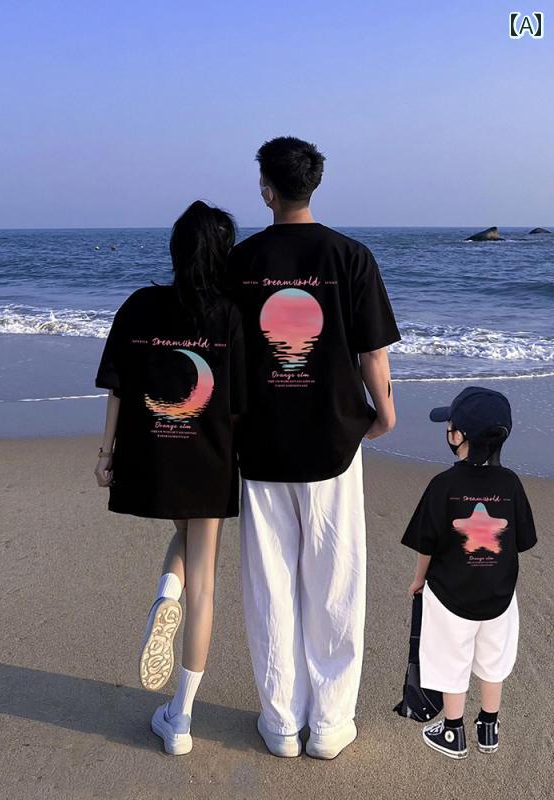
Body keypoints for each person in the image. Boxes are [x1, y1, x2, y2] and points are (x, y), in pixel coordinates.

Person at [228, 136, 401, 759]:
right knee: (335, 581)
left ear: (266, 190)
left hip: (260, 442)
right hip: (333, 441)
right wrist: (384, 414)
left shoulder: (240, 261)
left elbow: (222, 352)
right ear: (313, 185)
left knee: (270, 586)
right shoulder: (349, 255)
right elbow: (372, 350)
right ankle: (329, 724)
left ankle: (280, 723)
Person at [94, 201, 246, 756]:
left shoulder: (139, 305)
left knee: (181, 537)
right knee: (205, 583)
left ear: (176, 250)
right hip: (209, 459)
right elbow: (238, 404)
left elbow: (117, 386)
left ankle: (165, 593)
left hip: (152, 456)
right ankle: (180, 718)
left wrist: (106, 454)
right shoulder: (230, 315)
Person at [402, 387, 537, 759]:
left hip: (450, 595)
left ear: (459, 436)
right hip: (499, 597)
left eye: (450, 425)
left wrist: (418, 580)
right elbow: (522, 541)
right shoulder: (511, 484)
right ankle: (489, 727)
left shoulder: (443, 485)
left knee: (451, 660)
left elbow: (427, 543)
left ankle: (453, 731)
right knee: (493, 662)